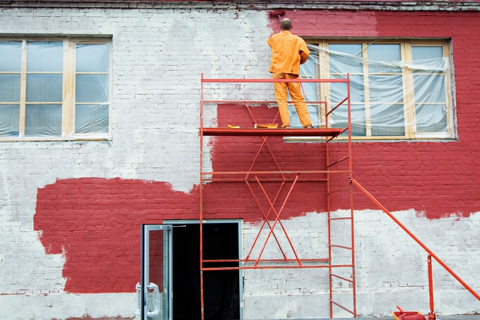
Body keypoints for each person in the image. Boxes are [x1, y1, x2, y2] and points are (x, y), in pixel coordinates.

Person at [267, 18, 313, 129]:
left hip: (278, 72)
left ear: (280, 27)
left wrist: (280, 34)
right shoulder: (298, 40)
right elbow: (306, 53)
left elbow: (270, 43)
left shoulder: (274, 38)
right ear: (291, 27)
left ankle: (286, 124)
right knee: (297, 98)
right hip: (292, 71)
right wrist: (299, 62)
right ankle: (306, 124)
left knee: (281, 99)